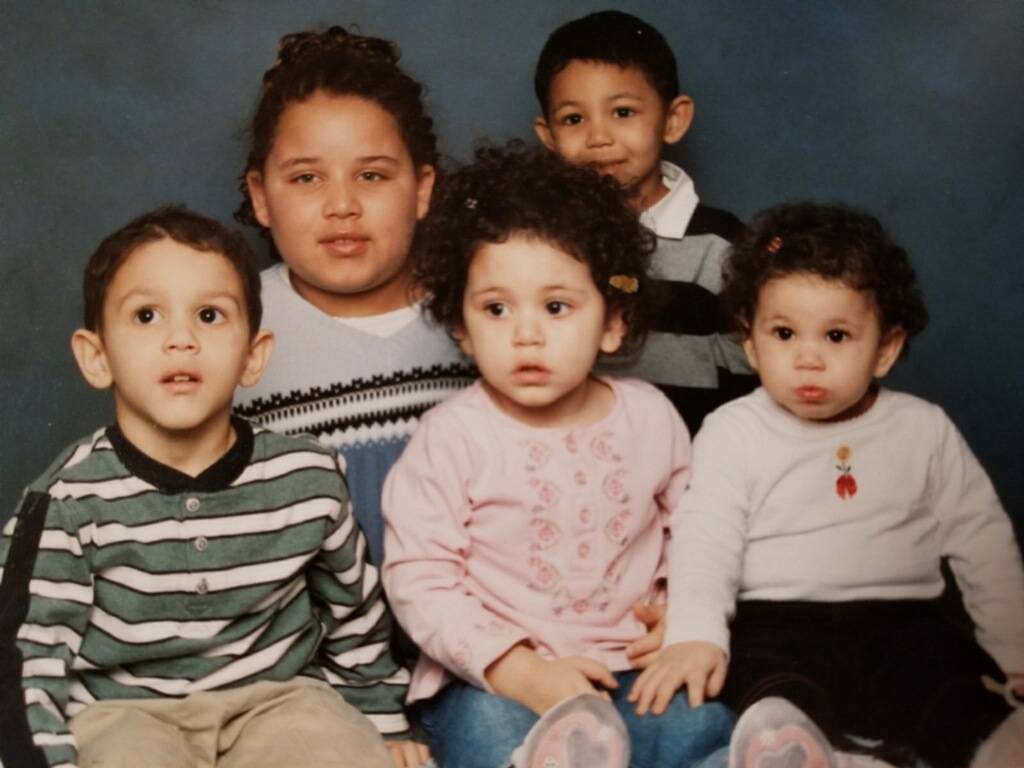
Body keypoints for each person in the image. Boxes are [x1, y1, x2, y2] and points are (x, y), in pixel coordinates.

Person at [0, 207, 419, 768]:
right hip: (123, 712)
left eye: (209, 315)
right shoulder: (67, 501)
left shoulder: (307, 477)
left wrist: (383, 728)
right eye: (147, 315)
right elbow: (27, 654)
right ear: (96, 357)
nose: (181, 340)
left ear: (253, 355)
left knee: (336, 752)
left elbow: (355, 613)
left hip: (277, 701)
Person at [632, 202, 1024, 768]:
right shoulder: (734, 430)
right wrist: (695, 632)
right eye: (784, 333)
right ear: (750, 341)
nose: (808, 358)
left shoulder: (922, 427)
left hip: (901, 620)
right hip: (774, 619)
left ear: (885, 348)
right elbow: (706, 539)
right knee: (773, 686)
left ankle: (990, 745)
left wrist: (1013, 648)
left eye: (837, 336)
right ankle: (793, 749)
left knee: (949, 683)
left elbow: (981, 542)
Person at [381, 144, 735, 768]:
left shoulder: (650, 415)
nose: (526, 333)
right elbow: (419, 577)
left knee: (697, 721)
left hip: (630, 666)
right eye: (496, 308)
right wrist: (517, 670)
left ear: (613, 322)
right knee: (492, 738)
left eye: (556, 306)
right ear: (461, 325)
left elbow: (699, 531)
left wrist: (684, 616)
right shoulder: (452, 436)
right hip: (499, 680)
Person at [233, 26, 476, 568]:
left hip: (482, 638)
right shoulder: (228, 329)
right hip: (301, 643)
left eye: (371, 174)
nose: (341, 204)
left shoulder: (486, 313)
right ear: (261, 197)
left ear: (422, 189)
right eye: (306, 178)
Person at [532, 10, 757, 435]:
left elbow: (758, 377)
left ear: (673, 120)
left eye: (622, 112)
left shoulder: (723, 246)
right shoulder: (541, 245)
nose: (599, 138)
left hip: (699, 477)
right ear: (548, 137)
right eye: (574, 119)